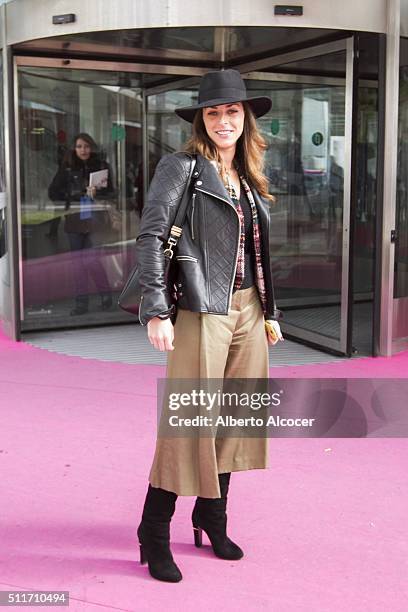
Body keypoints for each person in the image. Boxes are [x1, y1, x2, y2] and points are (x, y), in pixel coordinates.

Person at [135, 69, 283, 583]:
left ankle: (211, 514)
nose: (225, 120)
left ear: (247, 118)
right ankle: (154, 529)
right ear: (202, 119)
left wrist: (270, 312)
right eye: (215, 112)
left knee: (237, 419)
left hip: (249, 309)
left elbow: (258, 252)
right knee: (189, 420)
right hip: (202, 310)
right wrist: (156, 308)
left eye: (233, 111)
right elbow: (152, 236)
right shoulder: (182, 167)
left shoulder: (248, 174)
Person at [49, 133, 115, 315]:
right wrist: (77, 194)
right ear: (74, 149)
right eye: (79, 146)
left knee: (91, 260)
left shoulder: (102, 166)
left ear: (92, 147)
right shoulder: (67, 168)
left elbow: (112, 193)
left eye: (86, 146)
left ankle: (105, 294)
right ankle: (81, 304)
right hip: (75, 219)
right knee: (78, 263)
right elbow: (53, 192)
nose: (83, 150)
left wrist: (98, 194)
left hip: (95, 219)